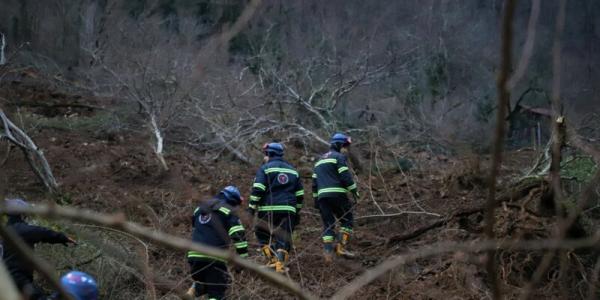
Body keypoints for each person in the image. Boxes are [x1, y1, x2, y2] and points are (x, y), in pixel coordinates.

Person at [2, 198, 76, 299]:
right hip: (17, 277)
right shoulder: (21, 230)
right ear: (22, 214)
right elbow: (43, 232)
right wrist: (63, 238)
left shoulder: (6, 231)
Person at [248, 142, 303, 273]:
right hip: (289, 209)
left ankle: (272, 260)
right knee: (284, 236)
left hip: (268, 209)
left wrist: (251, 208)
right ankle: (280, 264)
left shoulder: (265, 168)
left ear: (269, 154)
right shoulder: (293, 170)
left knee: (262, 234)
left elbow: (258, 189)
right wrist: (297, 210)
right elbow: (300, 194)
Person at [186, 186, 248, 300]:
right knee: (216, 292)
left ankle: (197, 287)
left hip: (193, 257)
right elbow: (238, 234)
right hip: (214, 257)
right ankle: (199, 287)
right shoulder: (228, 211)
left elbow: (196, 226)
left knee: (204, 282)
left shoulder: (199, 209)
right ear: (232, 200)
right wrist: (242, 258)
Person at [312, 133, 359, 262]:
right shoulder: (339, 157)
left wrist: (316, 201)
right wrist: (354, 191)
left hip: (322, 197)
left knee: (328, 224)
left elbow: (314, 183)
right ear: (339, 145)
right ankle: (341, 247)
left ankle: (327, 252)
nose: (346, 149)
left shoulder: (319, 161)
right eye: (345, 146)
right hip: (337, 194)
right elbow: (345, 176)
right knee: (347, 220)